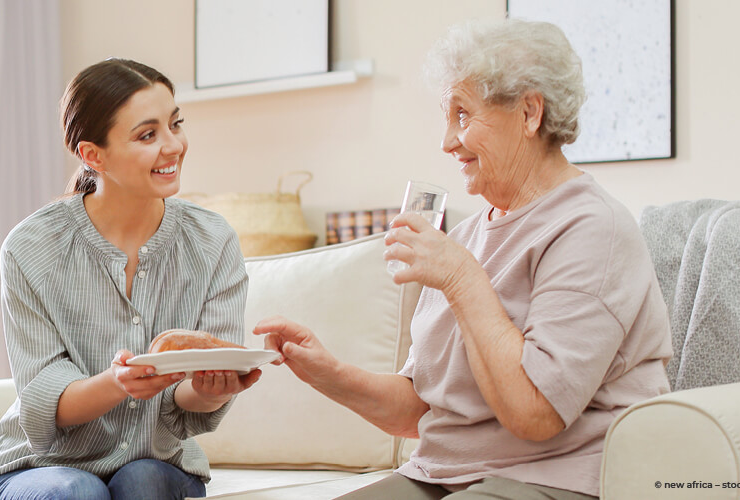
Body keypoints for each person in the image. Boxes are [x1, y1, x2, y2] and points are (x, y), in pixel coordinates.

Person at [253, 18, 673, 500]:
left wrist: (459, 277)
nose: (446, 141)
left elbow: (535, 414)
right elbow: (423, 409)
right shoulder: (468, 235)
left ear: (530, 112)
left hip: (551, 476)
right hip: (440, 476)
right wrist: (328, 373)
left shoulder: (594, 228)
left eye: (463, 115)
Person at [0, 59, 260, 500]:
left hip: (157, 465)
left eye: (175, 124)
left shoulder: (213, 240)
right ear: (92, 155)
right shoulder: (30, 247)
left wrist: (210, 391)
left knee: (146, 480)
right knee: (76, 491)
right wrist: (119, 381)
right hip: (37, 470)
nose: (173, 146)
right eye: (148, 135)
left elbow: (189, 401)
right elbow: (47, 402)